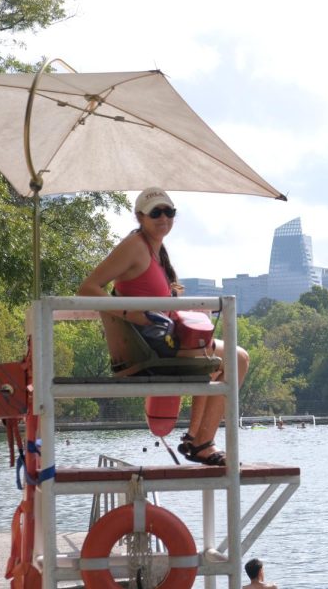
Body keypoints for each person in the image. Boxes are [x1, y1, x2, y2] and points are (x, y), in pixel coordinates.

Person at [79, 188, 249, 466]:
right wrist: (134, 315)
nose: (163, 218)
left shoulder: (158, 253)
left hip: (164, 344)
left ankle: (197, 440)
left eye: (169, 212)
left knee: (229, 360)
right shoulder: (135, 245)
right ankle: (201, 443)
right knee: (236, 358)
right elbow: (88, 288)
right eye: (155, 212)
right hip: (149, 351)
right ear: (140, 217)